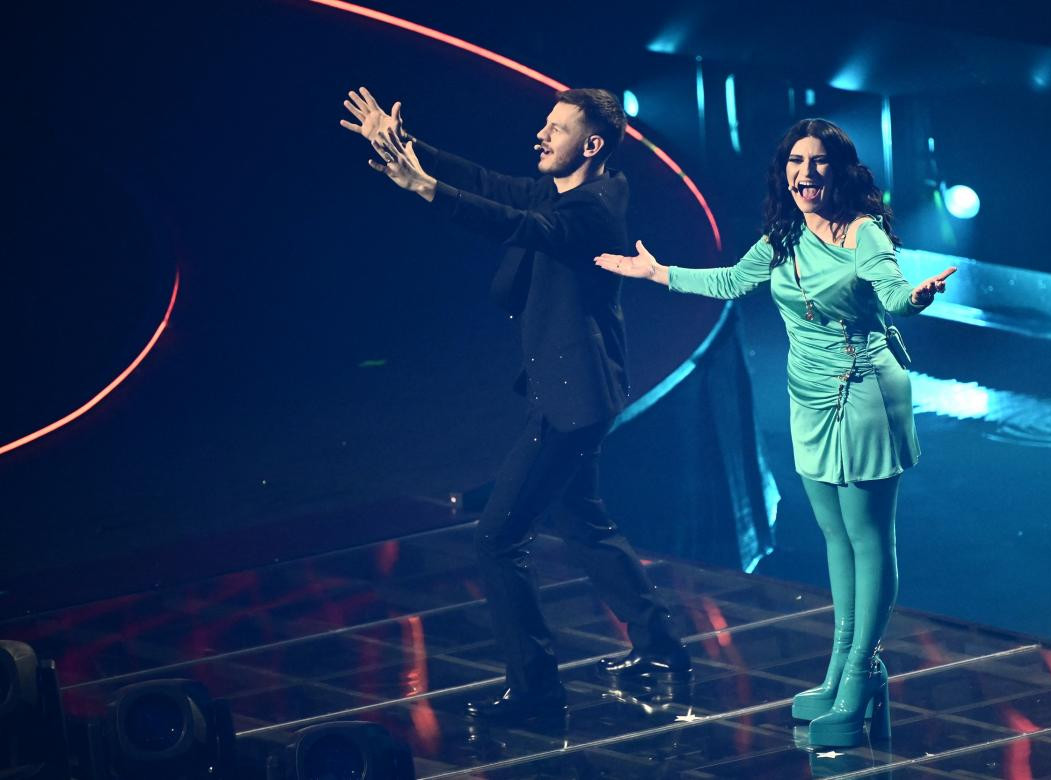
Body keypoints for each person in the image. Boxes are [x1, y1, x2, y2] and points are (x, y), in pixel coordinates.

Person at [595, 118, 955, 748]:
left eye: (818, 163)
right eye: (795, 161)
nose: (805, 173)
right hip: (807, 395)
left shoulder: (862, 233)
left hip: (865, 390)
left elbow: (894, 296)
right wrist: (659, 275)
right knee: (834, 540)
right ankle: (843, 668)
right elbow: (731, 281)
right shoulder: (782, 235)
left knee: (868, 541)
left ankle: (861, 675)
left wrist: (916, 300)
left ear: (839, 172)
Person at [340, 87, 689, 726]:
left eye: (555, 129)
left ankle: (536, 691)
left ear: (591, 146)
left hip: (574, 401)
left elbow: (516, 224)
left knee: (498, 539)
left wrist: (422, 189)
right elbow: (487, 183)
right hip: (569, 391)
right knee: (583, 519)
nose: (539, 136)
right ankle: (661, 649)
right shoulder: (566, 193)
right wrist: (402, 146)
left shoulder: (592, 211)